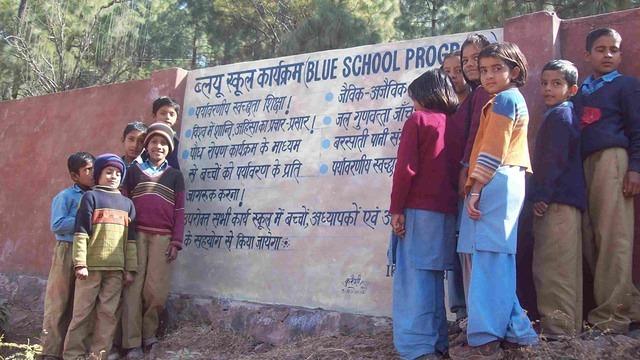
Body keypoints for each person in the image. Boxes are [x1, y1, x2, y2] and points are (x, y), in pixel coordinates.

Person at [450, 43, 538, 359]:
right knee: (494, 258)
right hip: (499, 180)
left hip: (496, 180)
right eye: (483, 69)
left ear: (514, 71)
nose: (488, 75)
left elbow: (493, 150)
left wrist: (475, 188)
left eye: (495, 69)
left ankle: (485, 338)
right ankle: (518, 332)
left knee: (489, 258)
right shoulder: (502, 99)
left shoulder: (504, 100)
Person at [389, 69, 461, 360]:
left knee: (412, 280)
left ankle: (417, 349)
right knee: (432, 280)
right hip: (445, 213)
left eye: (414, 98)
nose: (413, 104)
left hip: (418, 211)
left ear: (422, 96)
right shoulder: (452, 124)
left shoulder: (418, 120)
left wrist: (396, 209)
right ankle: (437, 345)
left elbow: (405, 169)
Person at [572, 27, 640, 334]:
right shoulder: (580, 91)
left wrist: (635, 168)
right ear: (587, 55)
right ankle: (631, 305)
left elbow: (638, 129)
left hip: (613, 160)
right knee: (590, 238)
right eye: (600, 49)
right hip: (582, 165)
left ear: (621, 54)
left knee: (614, 237)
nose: (608, 55)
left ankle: (612, 318)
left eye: (614, 49)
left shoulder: (627, 86)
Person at [62, 154, 137, 359]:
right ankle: (72, 354)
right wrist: (80, 263)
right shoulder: (91, 198)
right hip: (91, 268)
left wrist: (130, 269)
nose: (113, 176)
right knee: (82, 313)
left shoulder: (127, 204)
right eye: (108, 172)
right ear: (99, 174)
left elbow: (131, 241)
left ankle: (98, 354)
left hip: (115, 270)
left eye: (118, 173)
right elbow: (81, 232)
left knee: (108, 314)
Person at [121, 122, 185, 359]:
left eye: (163, 143)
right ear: (146, 146)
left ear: (169, 148)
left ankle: (149, 335)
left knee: (156, 291)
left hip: (163, 238)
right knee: (133, 289)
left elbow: (179, 211)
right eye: (153, 142)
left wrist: (176, 241)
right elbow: (125, 204)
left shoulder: (175, 176)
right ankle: (132, 342)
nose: (158, 146)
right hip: (136, 236)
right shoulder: (133, 171)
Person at [531, 60, 585, 339]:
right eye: (544, 83)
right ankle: (568, 331)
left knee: (552, 268)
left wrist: (542, 195)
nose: (548, 89)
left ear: (572, 89)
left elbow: (553, 161)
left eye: (556, 84)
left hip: (557, 202)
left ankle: (556, 333)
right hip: (567, 202)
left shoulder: (559, 117)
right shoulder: (562, 114)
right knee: (566, 268)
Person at [41, 152, 95, 360]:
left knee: (81, 304)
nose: (92, 173)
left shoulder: (97, 195)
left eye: (93, 168)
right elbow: (57, 224)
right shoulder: (65, 197)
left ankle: (73, 351)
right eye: (87, 170)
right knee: (58, 301)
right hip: (67, 250)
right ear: (75, 176)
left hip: (88, 252)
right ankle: (50, 351)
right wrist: (85, 220)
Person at [456, 34, 493, 301]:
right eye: (465, 59)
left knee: (475, 249)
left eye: (475, 58)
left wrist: (466, 170)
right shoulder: (474, 94)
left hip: (479, 179)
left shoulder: (486, 93)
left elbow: (477, 136)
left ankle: (478, 316)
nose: (470, 65)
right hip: (473, 177)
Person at [441, 51, 470, 323]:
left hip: (469, 183)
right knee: (452, 245)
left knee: (467, 245)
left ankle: (472, 309)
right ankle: (459, 309)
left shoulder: (476, 100)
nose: (453, 75)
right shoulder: (440, 107)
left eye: (457, 69)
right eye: (447, 71)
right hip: (446, 187)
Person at [136, 97, 181, 169]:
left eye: (172, 114)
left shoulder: (179, 141)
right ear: (154, 116)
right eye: (163, 113)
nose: (167, 117)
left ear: (177, 119)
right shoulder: (147, 137)